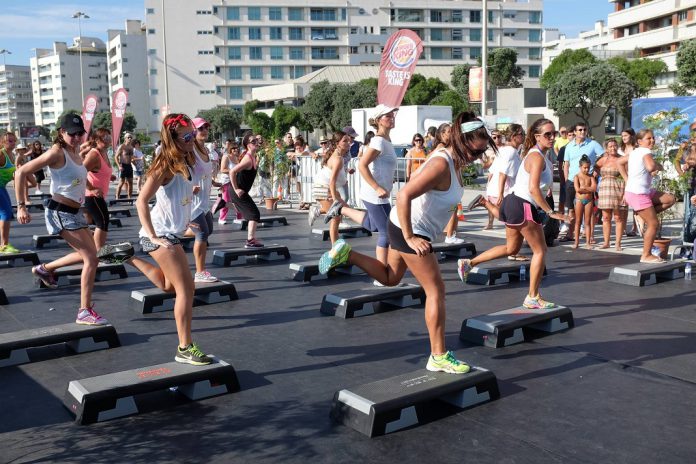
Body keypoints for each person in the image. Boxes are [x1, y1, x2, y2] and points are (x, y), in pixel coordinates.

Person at [318, 112, 493, 374]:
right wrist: (411, 237)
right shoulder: (441, 164)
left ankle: (348, 254)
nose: (476, 157)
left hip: (402, 225)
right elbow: (404, 195)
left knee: (390, 278)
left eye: (480, 153)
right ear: (461, 140)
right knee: (436, 291)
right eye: (474, 151)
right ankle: (438, 355)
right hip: (410, 229)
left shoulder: (454, 160)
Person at [15, 114, 133, 324]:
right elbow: (21, 172)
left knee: (91, 253)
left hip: (74, 212)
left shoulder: (76, 151)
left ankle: (45, 269)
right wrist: (22, 206)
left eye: (80, 133)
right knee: (92, 258)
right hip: (59, 212)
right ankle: (84, 311)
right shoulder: (56, 153)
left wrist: (90, 187)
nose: (77, 138)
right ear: (62, 133)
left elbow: (77, 177)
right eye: (73, 134)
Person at [119, 113, 212, 365]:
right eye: (187, 136)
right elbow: (141, 200)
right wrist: (153, 236)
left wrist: (185, 209)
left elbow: (179, 192)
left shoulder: (187, 158)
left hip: (169, 234)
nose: (193, 139)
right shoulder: (164, 165)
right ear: (173, 138)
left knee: (168, 286)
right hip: (160, 236)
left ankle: (127, 257)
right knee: (186, 290)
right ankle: (184, 347)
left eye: (193, 133)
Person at [459, 118, 568, 309]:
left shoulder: (538, 155)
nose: (552, 137)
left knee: (511, 249)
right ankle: (532, 297)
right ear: (537, 137)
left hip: (515, 203)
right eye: (547, 134)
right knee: (540, 251)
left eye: (554, 134)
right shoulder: (536, 157)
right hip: (522, 205)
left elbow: (536, 186)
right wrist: (551, 212)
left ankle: (469, 263)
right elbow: (533, 189)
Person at [324, 104, 398, 273]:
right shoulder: (378, 140)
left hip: (378, 193)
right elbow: (363, 164)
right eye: (387, 116)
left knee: (373, 225)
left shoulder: (387, 140)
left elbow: (382, 165)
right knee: (386, 233)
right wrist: (377, 187)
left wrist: (388, 179)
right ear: (378, 120)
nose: (391, 118)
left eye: (392, 115)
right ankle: (382, 273)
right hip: (374, 194)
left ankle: (341, 209)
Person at [618, 129, 676, 263]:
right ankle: (646, 255)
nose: (652, 140)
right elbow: (650, 167)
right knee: (653, 224)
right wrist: (658, 166)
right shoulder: (645, 151)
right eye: (648, 138)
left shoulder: (634, 152)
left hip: (641, 191)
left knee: (670, 199)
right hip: (638, 194)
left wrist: (628, 180)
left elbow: (619, 162)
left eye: (653, 138)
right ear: (639, 141)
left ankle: (641, 215)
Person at [472, 124, 526, 257]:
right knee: (512, 222)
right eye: (521, 134)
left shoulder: (502, 149)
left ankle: (484, 202)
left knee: (507, 219)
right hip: (505, 191)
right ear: (513, 137)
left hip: (496, 189)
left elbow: (492, 171)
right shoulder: (511, 152)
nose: (524, 136)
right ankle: (513, 252)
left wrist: (490, 187)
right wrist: (501, 193)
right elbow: (503, 173)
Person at [187, 117, 220, 282]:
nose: (204, 131)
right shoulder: (189, 149)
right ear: (193, 131)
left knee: (209, 230)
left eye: (206, 128)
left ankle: (175, 232)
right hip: (192, 201)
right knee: (202, 233)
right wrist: (189, 185)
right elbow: (180, 168)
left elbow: (205, 172)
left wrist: (214, 182)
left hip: (204, 201)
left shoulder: (206, 150)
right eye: (201, 128)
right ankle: (200, 272)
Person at [562, 122, 604, 242]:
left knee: (589, 211)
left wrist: (596, 169)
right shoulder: (569, 146)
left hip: (588, 181)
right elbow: (566, 164)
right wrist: (566, 181)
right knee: (571, 209)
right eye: (580, 130)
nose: (582, 132)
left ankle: (589, 236)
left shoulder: (593, 144)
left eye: (584, 129)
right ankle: (570, 234)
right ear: (574, 132)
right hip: (571, 180)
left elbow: (603, 156)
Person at [308, 131, 351, 243]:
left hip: (327, 187)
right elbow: (332, 182)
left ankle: (318, 210)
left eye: (348, 140)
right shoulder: (338, 159)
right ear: (338, 144)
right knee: (336, 216)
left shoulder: (339, 157)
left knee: (344, 209)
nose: (348, 143)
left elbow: (336, 176)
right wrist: (336, 199)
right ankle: (334, 246)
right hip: (322, 188)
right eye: (345, 141)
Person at [229, 133, 264, 248]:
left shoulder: (253, 156)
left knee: (250, 213)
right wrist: (236, 189)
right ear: (247, 145)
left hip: (241, 191)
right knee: (254, 214)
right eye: (253, 141)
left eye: (256, 140)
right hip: (238, 191)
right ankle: (250, 240)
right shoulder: (248, 159)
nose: (256, 143)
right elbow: (232, 172)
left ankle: (225, 204)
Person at [595, 139, 628, 250]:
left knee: (618, 217)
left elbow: (627, 176)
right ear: (606, 148)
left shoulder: (622, 159)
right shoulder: (603, 160)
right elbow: (595, 167)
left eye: (614, 146)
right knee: (606, 217)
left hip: (618, 189)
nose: (613, 148)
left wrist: (625, 194)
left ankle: (618, 243)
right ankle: (606, 242)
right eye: (610, 146)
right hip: (604, 189)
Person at [573, 155, 597, 249]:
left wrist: (585, 188)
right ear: (580, 167)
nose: (586, 170)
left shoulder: (591, 177)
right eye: (584, 168)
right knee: (578, 221)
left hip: (589, 200)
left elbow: (594, 188)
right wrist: (588, 189)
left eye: (588, 167)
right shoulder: (577, 176)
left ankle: (588, 242)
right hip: (579, 200)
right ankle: (576, 242)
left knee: (587, 222)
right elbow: (578, 190)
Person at [0, 132, 19, 253]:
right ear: (2, 142)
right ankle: (4, 245)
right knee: (6, 213)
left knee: (7, 213)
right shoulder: (1, 154)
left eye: (14, 141)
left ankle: (4, 244)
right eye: (9, 141)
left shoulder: (12, 155)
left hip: (2, 186)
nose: (12, 143)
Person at [619, 128, 640, 237]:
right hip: (622, 178)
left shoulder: (636, 149)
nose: (624, 138)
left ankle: (635, 228)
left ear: (632, 136)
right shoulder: (620, 150)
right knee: (623, 205)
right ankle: (622, 228)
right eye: (622, 136)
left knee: (636, 205)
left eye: (626, 135)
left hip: (634, 178)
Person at [217, 142, 240, 224]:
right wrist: (233, 171)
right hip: (226, 181)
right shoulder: (226, 157)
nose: (236, 149)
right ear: (230, 149)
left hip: (235, 181)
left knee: (238, 199)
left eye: (237, 148)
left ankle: (239, 217)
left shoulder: (237, 158)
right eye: (234, 148)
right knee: (226, 200)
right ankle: (221, 218)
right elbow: (222, 169)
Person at [115, 132, 134, 199]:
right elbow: (116, 157)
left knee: (130, 182)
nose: (130, 138)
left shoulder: (131, 147)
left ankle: (129, 198)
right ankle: (117, 197)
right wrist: (119, 166)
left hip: (129, 166)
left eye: (131, 137)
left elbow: (131, 158)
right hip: (123, 165)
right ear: (125, 138)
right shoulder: (122, 146)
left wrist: (135, 163)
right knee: (121, 183)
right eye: (128, 137)